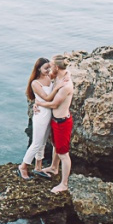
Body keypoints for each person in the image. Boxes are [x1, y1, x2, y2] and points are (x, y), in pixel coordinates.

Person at [18, 58, 61, 180]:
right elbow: (47, 98)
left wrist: (38, 102)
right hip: (41, 114)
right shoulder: (35, 83)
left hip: (49, 113)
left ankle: (38, 167)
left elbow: (61, 72)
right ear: (38, 69)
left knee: (43, 142)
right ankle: (23, 166)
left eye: (49, 67)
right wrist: (56, 88)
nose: (48, 70)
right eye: (45, 68)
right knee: (36, 143)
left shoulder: (49, 77)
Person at [44, 54, 75, 194]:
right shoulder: (59, 76)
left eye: (51, 66)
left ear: (56, 67)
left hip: (63, 122)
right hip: (56, 120)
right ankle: (54, 167)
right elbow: (49, 76)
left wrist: (38, 103)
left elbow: (54, 104)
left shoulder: (66, 86)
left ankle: (64, 184)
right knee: (55, 146)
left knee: (64, 154)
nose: (50, 68)